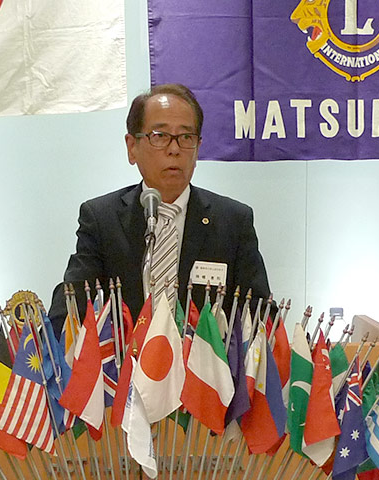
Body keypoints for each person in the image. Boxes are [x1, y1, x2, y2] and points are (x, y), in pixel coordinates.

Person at [48, 83, 270, 334]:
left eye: (186, 137)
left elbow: (259, 316)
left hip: (204, 359)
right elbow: (72, 305)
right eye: (160, 136)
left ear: (197, 147)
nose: (174, 149)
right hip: (126, 358)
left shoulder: (232, 221)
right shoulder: (102, 219)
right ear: (132, 147)